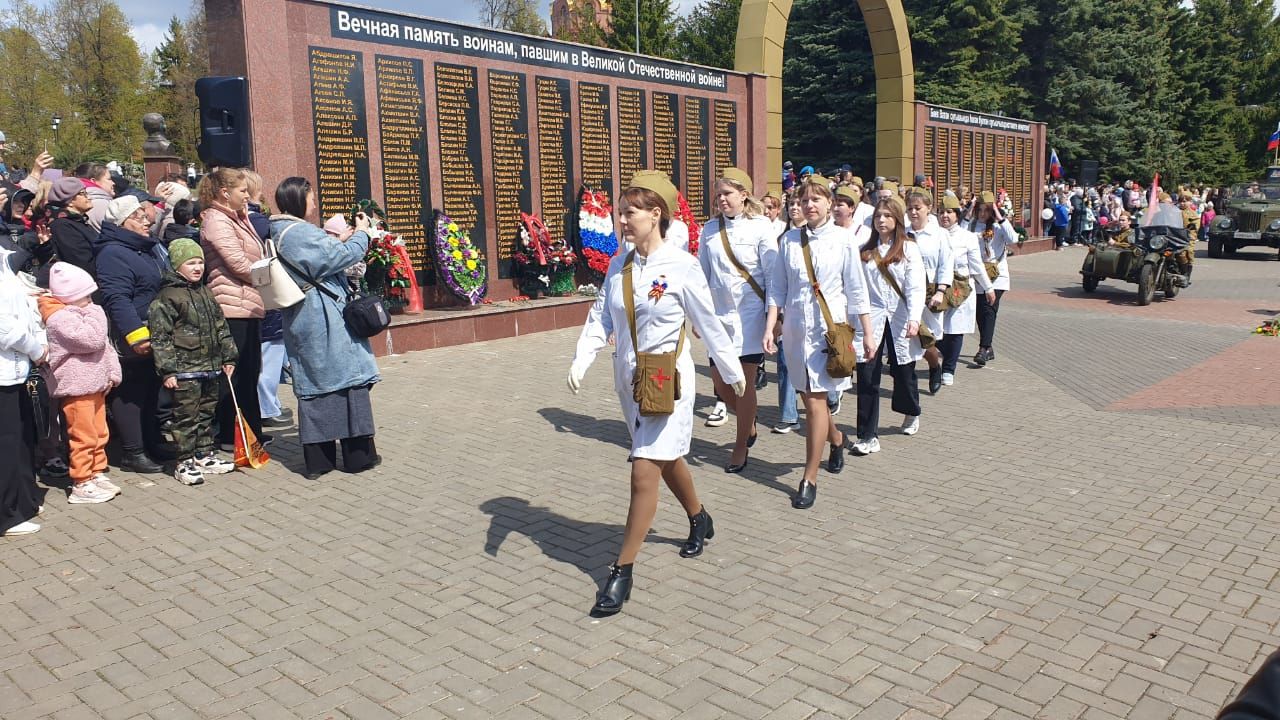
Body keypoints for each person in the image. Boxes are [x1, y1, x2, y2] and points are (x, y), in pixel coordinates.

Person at [567, 170, 746, 616]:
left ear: (656, 214)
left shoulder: (683, 266)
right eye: (620, 211)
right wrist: (582, 356)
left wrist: (729, 370)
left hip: (669, 379)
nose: (621, 220)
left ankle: (621, 571)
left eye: (630, 212)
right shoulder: (619, 264)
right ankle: (699, 517)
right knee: (666, 457)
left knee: (644, 468)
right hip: (629, 380)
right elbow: (600, 318)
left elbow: (708, 323)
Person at [763, 176, 874, 509]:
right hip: (796, 331)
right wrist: (772, 326)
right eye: (804, 200)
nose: (809, 205)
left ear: (829, 203)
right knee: (812, 399)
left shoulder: (843, 241)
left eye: (816, 199)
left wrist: (867, 332)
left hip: (828, 333)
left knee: (813, 403)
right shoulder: (789, 242)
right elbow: (777, 289)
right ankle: (837, 440)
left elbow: (856, 290)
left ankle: (809, 477)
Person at [269, 177, 381, 479]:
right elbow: (338, 257)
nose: (315, 201)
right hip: (320, 317)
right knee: (337, 384)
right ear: (297, 200)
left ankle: (328, 458)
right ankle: (355, 457)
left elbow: (323, 255)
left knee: (327, 383)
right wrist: (362, 233)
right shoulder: (297, 232)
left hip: (313, 314)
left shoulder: (285, 231)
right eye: (311, 196)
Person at [697, 168, 776, 473]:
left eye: (727, 194)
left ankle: (740, 444)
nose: (721, 200)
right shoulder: (709, 230)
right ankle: (750, 423)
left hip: (751, 317)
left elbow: (772, 278)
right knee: (720, 382)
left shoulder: (760, 228)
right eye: (718, 195)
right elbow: (702, 276)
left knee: (744, 385)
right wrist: (698, 316)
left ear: (744, 194)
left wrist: (773, 319)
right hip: (719, 318)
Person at [148, 239, 240, 486]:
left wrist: (228, 355)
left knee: (207, 412)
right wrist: (167, 370)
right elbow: (160, 337)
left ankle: (204, 453)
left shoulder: (205, 292)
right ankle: (184, 460)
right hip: (185, 369)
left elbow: (221, 326)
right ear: (177, 265)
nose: (197, 267)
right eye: (191, 263)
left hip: (210, 366)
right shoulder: (167, 297)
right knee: (186, 416)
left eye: (200, 262)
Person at [38, 263, 123, 503]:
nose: (91, 301)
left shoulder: (84, 314)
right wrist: (97, 314)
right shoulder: (60, 319)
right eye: (86, 295)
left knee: (99, 432)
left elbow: (106, 347)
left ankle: (96, 471)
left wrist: (112, 373)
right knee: (82, 434)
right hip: (77, 386)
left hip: (95, 383)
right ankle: (81, 481)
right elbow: (93, 340)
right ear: (71, 297)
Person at [97, 194, 169, 473]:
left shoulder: (144, 247)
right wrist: (135, 334)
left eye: (145, 215)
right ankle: (132, 451)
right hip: (134, 333)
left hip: (155, 327)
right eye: (138, 217)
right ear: (123, 221)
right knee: (131, 394)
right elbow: (118, 298)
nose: (146, 221)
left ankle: (152, 442)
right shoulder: (113, 253)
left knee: (151, 389)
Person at [198, 168, 267, 450]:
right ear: (224, 193)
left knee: (249, 373)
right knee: (234, 376)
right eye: (242, 191)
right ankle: (230, 435)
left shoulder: (237, 217)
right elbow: (238, 264)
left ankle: (251, 434)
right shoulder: (216, 220)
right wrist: (268, 277)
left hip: (247, 303)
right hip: (231, 306)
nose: (247, 195)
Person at [851, 197, 925, 457]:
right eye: (878, 216)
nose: (881, 220)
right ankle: (867, 435)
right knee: (867, 375)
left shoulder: (908, 249)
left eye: (887, 216)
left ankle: (911, 410)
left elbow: (916, 286)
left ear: (897, 220)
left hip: (900, 318)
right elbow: (856, 288)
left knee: (902, 371)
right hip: (871, 321)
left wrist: (915, 318)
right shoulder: (864, 250)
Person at [0, 246, 45, 535]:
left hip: (17, 370)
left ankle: (22, 501)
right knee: (6, 443)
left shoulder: (5, 261)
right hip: (5, 370)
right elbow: (5, 328)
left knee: (21, 439)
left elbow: (26, 310)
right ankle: (7, 515)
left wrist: (38, 339)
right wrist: (36, 348)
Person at [935, 195, 993, 387]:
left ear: (957, 215)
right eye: (941, 212)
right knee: (934, 329)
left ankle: (948, 369)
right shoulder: (932, 235)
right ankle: (937, 361)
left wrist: (988, 288)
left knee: (955, 329)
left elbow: (976, 266)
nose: (945, 216)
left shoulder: (967, 237)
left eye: (949, 212)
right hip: (935, 288)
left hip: (960, 289)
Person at [904, 188, 952, 395]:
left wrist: (941, 291)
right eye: (909, 208)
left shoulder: (939, 234)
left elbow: (946, 264)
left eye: (918, 208)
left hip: (930, 293)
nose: (913, 212)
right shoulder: (902, 232)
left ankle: (934, 366)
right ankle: (907, 381)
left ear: (928, 209)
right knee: (909, 338)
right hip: (905, 294)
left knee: (926, 339)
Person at [970, 191, 1017, 366]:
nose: (983, 214)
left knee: (989, 309)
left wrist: (998, 214)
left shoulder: (998, 227)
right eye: (980, 210)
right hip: (978, 275)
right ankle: (988, 348)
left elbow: (1013, 238)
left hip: (997, 275)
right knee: (980, 312)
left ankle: (984, 348)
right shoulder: (972, 226)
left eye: (987, 210)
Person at [47, 177, 99, 280]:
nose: (88, 197)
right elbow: (81, 262)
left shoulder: (78, 221)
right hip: (86, 285)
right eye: (83, 194)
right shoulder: (62, 226)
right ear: (70, 201)